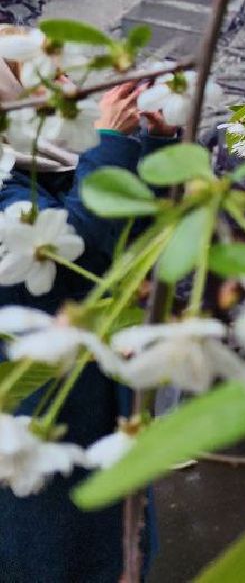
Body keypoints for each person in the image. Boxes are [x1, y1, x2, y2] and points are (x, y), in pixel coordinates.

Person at [0, 76, 179, 583]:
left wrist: (152, 146)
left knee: (104, 542)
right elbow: (73, 255)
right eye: (49, 81)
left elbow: (130, 242)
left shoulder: (46, 172)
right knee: (58, 550)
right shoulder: (8, 186)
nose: (72, 88)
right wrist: (115, 144)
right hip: (42, 412)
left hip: (85, 402)